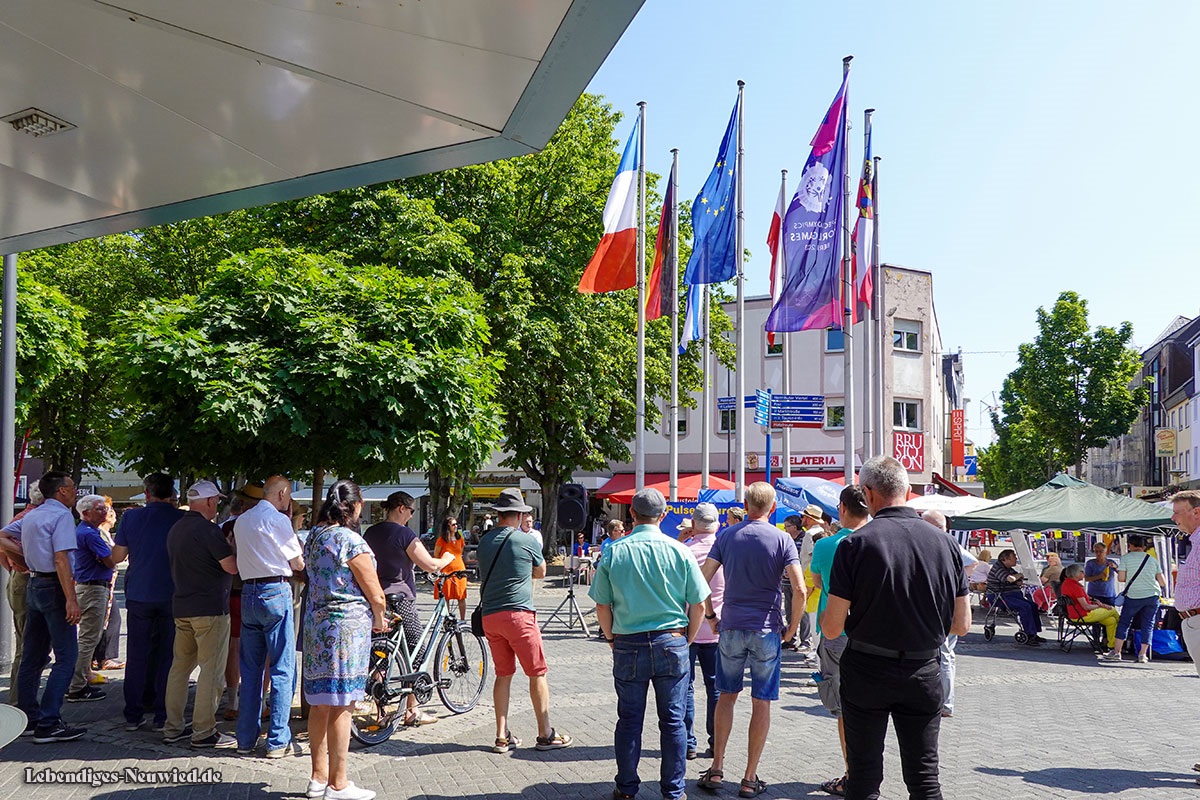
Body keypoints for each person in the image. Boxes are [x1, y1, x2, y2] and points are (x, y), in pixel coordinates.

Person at [823, 456, 971, 800]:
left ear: (868, 493)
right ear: (907, 490)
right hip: (923, 668)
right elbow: (962, 625)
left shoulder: (854, 545)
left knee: (863, 778)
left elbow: (832, 628)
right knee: (924, 779)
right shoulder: (946, 544)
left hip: (867, 668)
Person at [590, 488, 709, 800]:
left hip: (628, 642)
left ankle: (627, 788)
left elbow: (602, 605)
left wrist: (611, 637)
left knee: (629, 720)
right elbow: (698, 604)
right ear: (665, 514)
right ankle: (673, 791)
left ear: (631, 513)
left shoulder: (615, 551)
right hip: (672, 640)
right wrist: (689, 638)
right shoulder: (680, 551)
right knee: (673, 722)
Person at [698, 482, 803, 798]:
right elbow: (799, 588)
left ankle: (716, 768)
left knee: (726, 696)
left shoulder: (727, 535)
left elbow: (702, 579)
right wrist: (793, 627)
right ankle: (749, 777)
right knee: (762, 701)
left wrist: (711, 616)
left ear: (745, 504)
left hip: (730, 626)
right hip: (766, 627)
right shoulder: (783, 539)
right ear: (773, 508)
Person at [303, 480, 388, 800]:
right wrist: (380, 618)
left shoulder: (315, 536)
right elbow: (375, 592)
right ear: (352, 506)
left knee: (320, 702)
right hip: (345, 632)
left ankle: (317, 777)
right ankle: (338, 784)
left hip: (316, 627)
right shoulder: (351, 541)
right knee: (342, 704)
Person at [476, 488, 571, 754]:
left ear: (499, 514)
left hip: (490, 616)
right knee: (537, 673)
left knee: (503, 674)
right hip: (519, 615)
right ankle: (545, 734)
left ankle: (501, 737)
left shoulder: (485, 540)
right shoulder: (525, 540)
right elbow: (541, 572)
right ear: (519, 515)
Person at [362, 490, 454, 727]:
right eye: (411, 511)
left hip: (376, 599)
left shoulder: (371, 532)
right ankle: (411, 710)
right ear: (401, 508)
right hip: (400, 599)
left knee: (381, 655)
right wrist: (446, 560)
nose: (411, 517)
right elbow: (429, 564)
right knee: (417, 651)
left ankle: (381, 713)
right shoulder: (404, 534)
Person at [162, 481, 239, 748]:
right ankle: (204, 731)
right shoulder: (208, 531)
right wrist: (233, 548)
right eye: (216, 500)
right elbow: (231, 567)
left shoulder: (177, 527)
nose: (217, 504)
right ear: (208, 502)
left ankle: (172, 727)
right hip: (209, 610)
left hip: (182, 607)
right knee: (211, 672)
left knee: (179, 668)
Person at [233, 474, 305, 756]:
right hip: (275, 590)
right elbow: (297, 561)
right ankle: (276, 740)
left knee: (250, 671)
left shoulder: (242, 519)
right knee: (282, 668)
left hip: (248, 592)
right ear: (282, 493)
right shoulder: (278, 520)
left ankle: (245, 739)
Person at [14, 471, 86, 742]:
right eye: (72, 486)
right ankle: (49, 721)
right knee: (66, 656)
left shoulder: (32, 514)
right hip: (54, 586)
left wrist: (24, 560)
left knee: (32, 655)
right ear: (62, 491)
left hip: (34, 583)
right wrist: (71, 599)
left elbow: (5, 536)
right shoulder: (61, 516)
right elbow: (61, 559)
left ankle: (29, 717)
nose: (75, 490)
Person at [111, 472, 185, 732]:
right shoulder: (181, 518)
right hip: (171, 594)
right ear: (172, 494)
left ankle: (133, 714)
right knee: (169, 656)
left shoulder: (131, 517)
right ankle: (163, 714)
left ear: (146, 493)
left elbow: (117, 557)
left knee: (137, 655)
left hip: (139, 593)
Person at [810, 485, 870, 798]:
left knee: (845, 709)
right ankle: (866, 772)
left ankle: (852, 774)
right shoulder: (878, 541)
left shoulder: (826, 545)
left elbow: (819, 582)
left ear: (842, 508)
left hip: (835, 632)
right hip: (873, 634)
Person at [919, 509, 977, 720]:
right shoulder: (948, 544)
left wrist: (955, 581)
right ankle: (942, 700)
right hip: (947, 605)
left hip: (944, 607)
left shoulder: (943, 544)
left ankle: (945, 702)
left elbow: (972, 563)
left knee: (943, 655)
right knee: (945, 655)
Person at [65, 495, 115, 703]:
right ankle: (76, 686)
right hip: (94, 588)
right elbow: (110, 561)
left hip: (87, 587)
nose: (104, 512)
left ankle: (80, 680)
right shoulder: (90, 534)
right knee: (89, 638)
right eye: (99, 509)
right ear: (85, 513)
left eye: (104, 508)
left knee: (86, 637)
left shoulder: (83, 531)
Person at [682, 503, 723, 761]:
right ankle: (716, 740)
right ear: (717, 525)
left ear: (694, 525)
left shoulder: (684, 551)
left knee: (685, 687)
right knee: (715, 688)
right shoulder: (727, 550)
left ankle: (688, 743)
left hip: (688, 629)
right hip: (718, 627)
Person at [1, 484, 42, 705]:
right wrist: (22, 564)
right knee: (27, 643)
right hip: (26, 580)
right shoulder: (30, 517)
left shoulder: (27, 515)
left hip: (22, 579)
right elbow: (1, 543)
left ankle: (21, 699)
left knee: (27, 642)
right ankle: (20, 702)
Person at [1100, 534, 1165, 664]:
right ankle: (1142, 655)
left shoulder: (1126, 559)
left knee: (1124, 622)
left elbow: (1121, 579)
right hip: (1152, 596)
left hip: (1134, 595)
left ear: (1131, 545)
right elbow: (1162, 582)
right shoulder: (1152, 560)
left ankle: (1117, 652)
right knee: (1148, 624)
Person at [985, 550, 1045, 645]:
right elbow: (1010, 578)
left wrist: (1018, 580)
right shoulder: (998, 568)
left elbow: (1015, 579)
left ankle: (1034, 632)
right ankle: (1029, 634)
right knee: (1025, 606)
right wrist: (1020, 575)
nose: (1016, 559)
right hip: (1000, 596)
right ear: (1005, 559)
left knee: (1033, 605)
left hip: (1012, 594)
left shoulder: (1008, 568)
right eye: (1014, 557)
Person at [1059, 563, 1119, 649]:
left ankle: (1112, 645)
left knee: (1111, 621)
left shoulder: (1066, 583)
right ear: (1077, 573)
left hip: (1073, 614)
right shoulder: (1076, 587)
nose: (1084, 574)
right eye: (1082, 572)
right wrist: (1100, 605)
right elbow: (1086, 607)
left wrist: (1095, 602)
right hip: (1083, 615)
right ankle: (1122, 634)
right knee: (1112, 610)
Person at [434, 515, 469, 620]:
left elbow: (460, 552)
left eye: (456, 524)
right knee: (446, 597)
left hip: (459, 569)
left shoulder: (460, 539)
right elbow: (436, 554)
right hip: (446, 570)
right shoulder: (441, 540)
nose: (456, 526)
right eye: (453, 524)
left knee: (461, 596)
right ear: (447, 526)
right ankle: (446, 620)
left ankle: (462, 620)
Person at [1084, 541, 1120, 606]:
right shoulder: (1090, 563)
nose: (1098, 554)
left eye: (1101, 551)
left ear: (1106, 552)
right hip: (1094, 594)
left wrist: (1115, 567)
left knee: (1110, 614)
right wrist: (1100, 576)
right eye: (1096, 551)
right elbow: (1086, 578)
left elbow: (1121, 575)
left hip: (1109, 594)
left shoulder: (1111, 562)